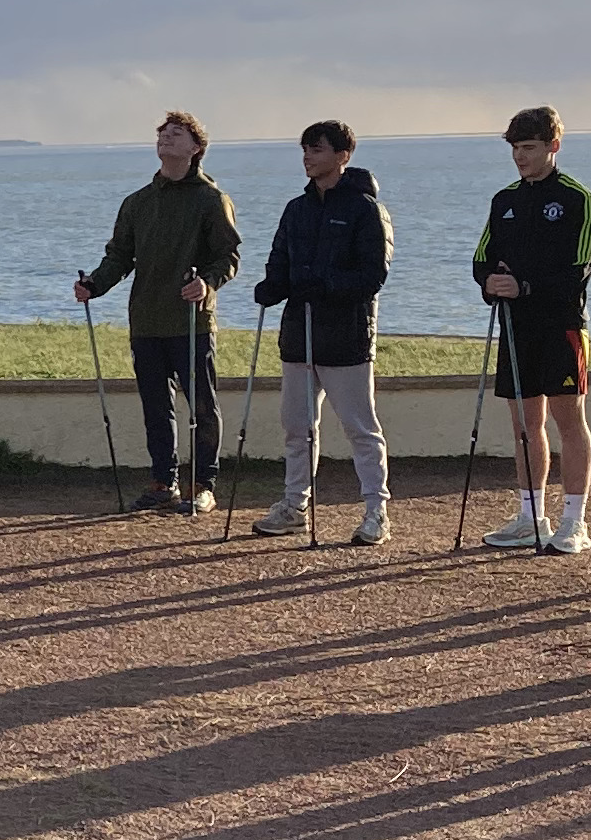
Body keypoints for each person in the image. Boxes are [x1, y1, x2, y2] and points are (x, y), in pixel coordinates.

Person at [72, 113, 242, 512]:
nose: (166, 138)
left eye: (176, 134)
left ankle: (204, 484)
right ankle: (163, 482)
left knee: (201, 405)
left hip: (191, 320)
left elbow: (228, 255)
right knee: (155, 407)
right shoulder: (138, 202)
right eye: (162, 134)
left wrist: (208, 283)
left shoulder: (211, 200)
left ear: (195, 148)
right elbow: (118, 257)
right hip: (146, 319)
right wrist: (94, 284)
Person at [247, 121, 392, 543]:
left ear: (343, 155)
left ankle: (376, 510)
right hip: (298, 332)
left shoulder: (365, 209)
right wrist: (272, 286)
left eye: (318, 149)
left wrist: (326, 286)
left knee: (360, 428)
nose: (308, 157)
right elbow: (280, 258)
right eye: (305, 150)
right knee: (297, 427)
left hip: (345, 336)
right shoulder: (297, 208)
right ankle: (295, 505)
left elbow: (373, 275)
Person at [473, 107, 591, 555]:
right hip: (515, 327)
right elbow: (482, 257)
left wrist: (525, 285)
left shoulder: (577, 197)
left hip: (562, 326)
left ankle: (574, 520)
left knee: (569, 420)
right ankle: (530, 517)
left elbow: (578, 269)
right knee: (525, 425)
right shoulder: (504, 200)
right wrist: (490, 282)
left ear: (553, 146)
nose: (520, 157)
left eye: (528, 148)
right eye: (515, 149)